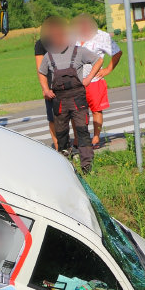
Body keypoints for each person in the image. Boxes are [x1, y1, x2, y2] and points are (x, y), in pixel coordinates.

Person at [38, 17, 103, 174]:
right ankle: (66, 169)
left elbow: (98, 60)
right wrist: (46, 89)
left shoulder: (79, 51)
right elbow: (41, 72)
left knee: (82, 132)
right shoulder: (49, 56)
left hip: (77, 98)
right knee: (61, 135)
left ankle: (87, 168)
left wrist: (89, 78)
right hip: (59, 100)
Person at [74, 13, 122, 148]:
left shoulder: (101, 36)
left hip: (94, 80)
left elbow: (117, 52)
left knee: (96, 110)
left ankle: (96, 138)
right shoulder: (74, 36)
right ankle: (79, 139)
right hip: (77, 81)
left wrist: (107, 69)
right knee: (78, 112)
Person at [35, 18, 58, 149]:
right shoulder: (41, 44)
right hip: (51, 85)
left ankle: (74, 143)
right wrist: (45, 88)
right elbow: (40, 68)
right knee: (53, 118)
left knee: (70, 116)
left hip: (66, 84)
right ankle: (58, 145)